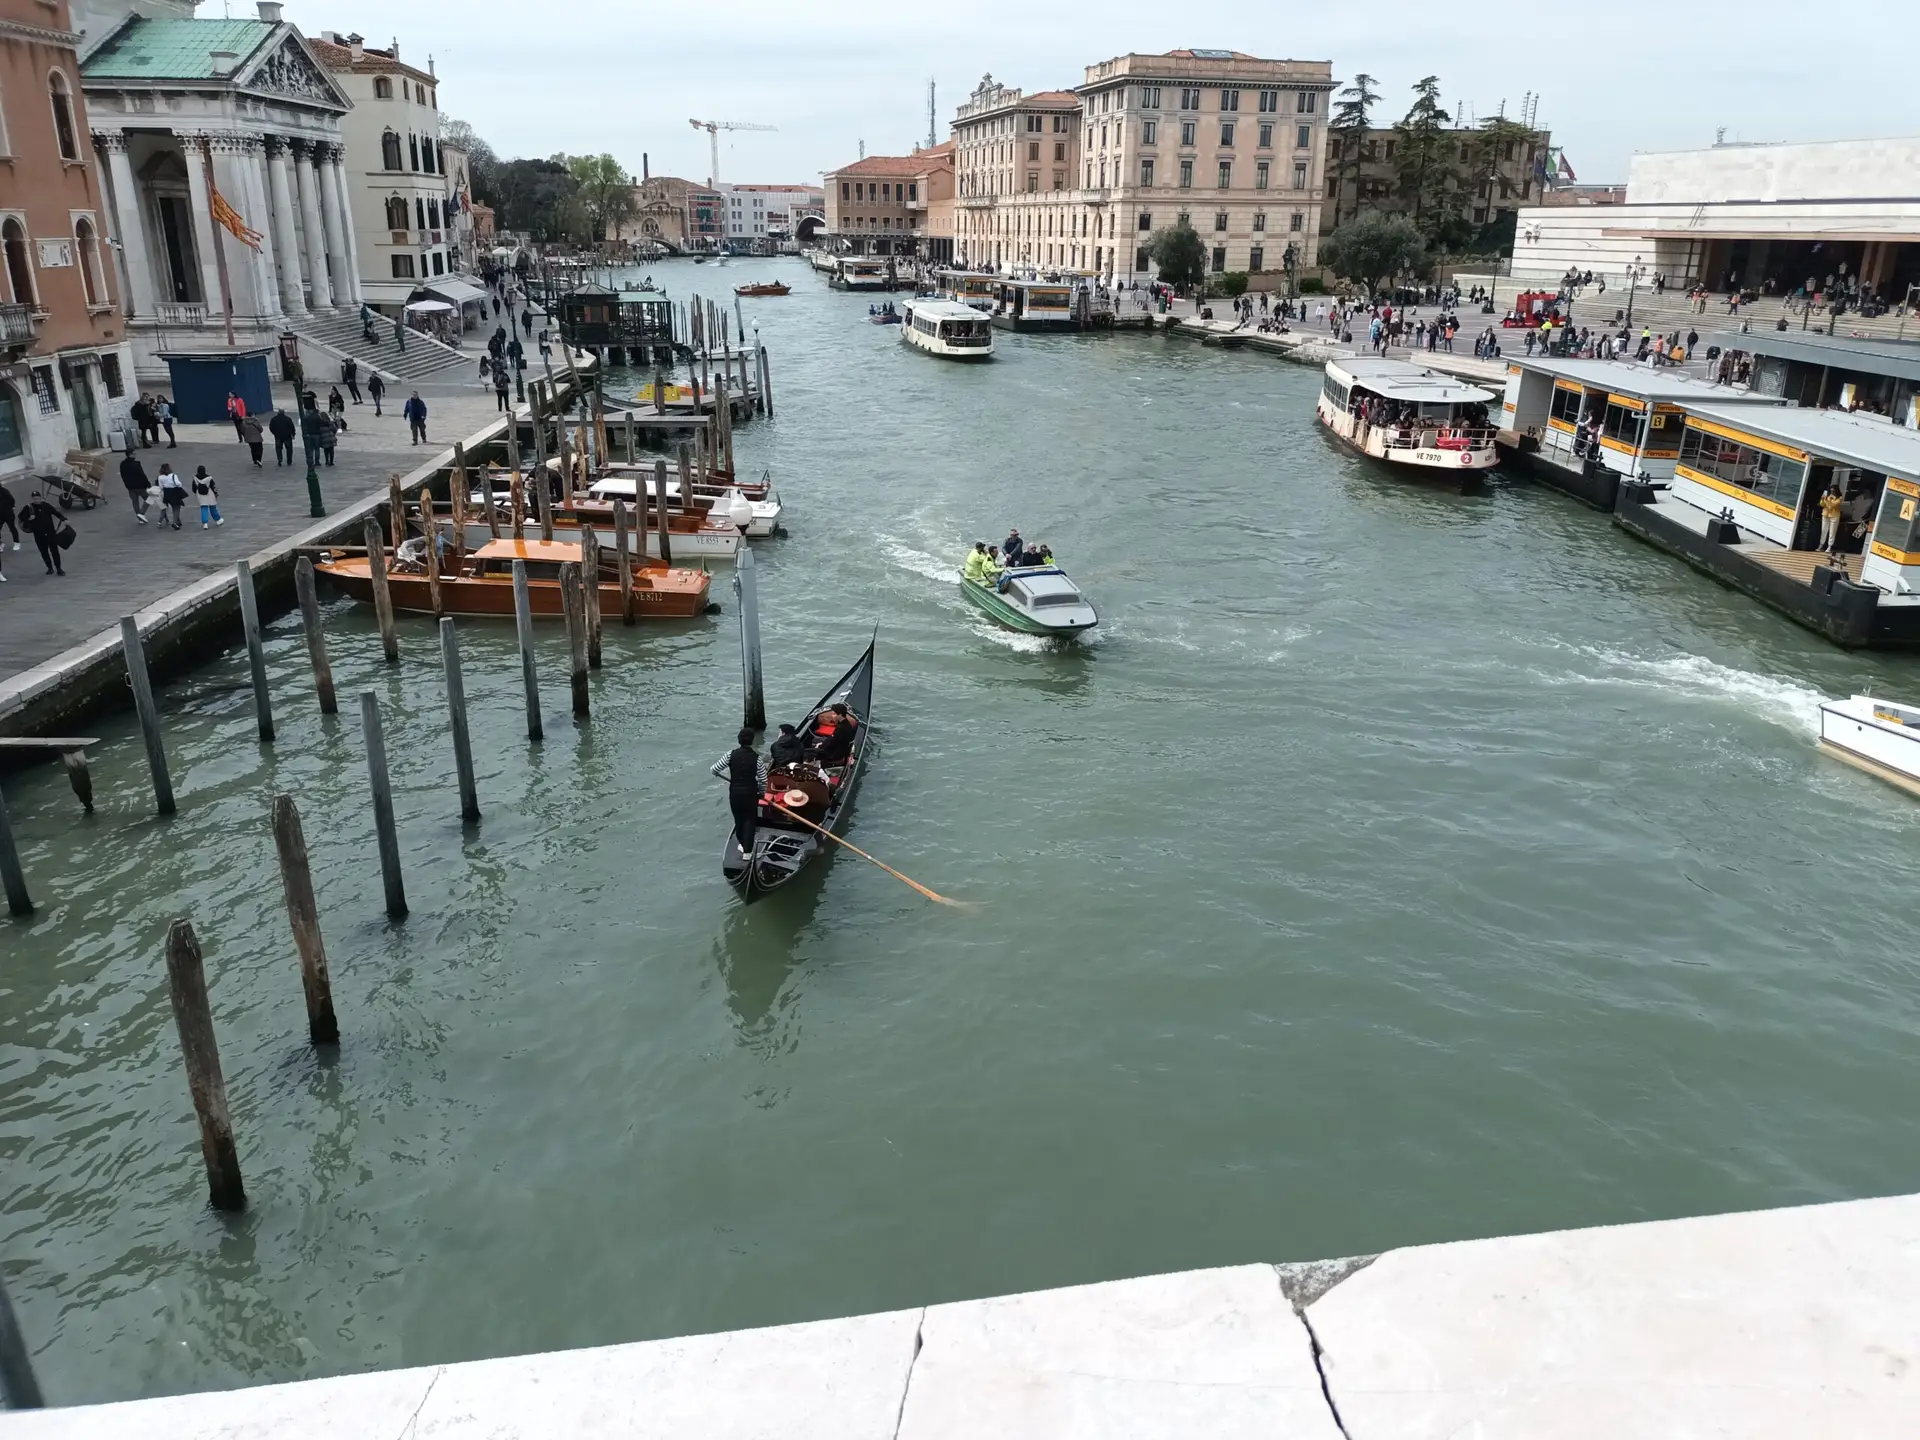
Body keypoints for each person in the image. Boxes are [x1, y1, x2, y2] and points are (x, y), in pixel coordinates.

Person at [711, 727, 764, 860]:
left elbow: (714, 769)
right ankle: (747, 852)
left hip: (735, 793)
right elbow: (763, 779)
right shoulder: (757, 759)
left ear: (739, 740)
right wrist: (762, 793)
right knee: (749, 821)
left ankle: (743, 845)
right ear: (752, 741)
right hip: (750, 794)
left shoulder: (730, 755)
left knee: (739, 820)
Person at [18, 492, 66, 574]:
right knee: (44, 552)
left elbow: (56, 513)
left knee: (55, 551)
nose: (36, 500)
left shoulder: (46, 506)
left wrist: (64, 519)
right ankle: (50, 568)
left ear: (40, 498)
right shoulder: (28, 508)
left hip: (50, 533)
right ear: (32, 499)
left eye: (38, 498)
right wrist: (28, 518)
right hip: (39, 534)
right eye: (34, 499)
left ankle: (59, 568)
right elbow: (21, 517)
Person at [808, 702, 858, 767]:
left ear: (840, 715)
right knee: (817, 742)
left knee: (808, 752)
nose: (832, 716)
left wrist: (820, 746)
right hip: (839, 748)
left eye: (834, 714)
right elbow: (832, 740)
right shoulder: (845, 724)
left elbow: (831, 745)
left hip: (835, 754)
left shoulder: (841, 729)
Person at [120, 450, 152, 523]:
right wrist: (147, 483)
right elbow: (142, 475)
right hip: (140, 486)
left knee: (135, 502)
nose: (135, 455)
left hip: (130, 487)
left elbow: (122, 475)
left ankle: (140, 518)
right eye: (134, 453)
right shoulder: (136, 464)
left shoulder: (123, 464)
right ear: (130, 454)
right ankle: (141, 513)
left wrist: (126, 484)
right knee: (149, 499)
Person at [157, 463, 187, 528]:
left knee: (173, 507)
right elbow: (178, 484)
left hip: (166, 493)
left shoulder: (160, 477)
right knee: (177, 507)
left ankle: (178, 521)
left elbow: (161, 487)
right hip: (174, 492)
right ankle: (175, 522)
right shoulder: (173, 475)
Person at [1819, 483, 1844, 553]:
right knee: (1823, 530)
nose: (1832, 492)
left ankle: (1829, 546)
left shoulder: (1839, 498)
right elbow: (1822, 504)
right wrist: (1822, 499)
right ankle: (1821, 544)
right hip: (1825, 515)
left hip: (1834, 516)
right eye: (1831, 491)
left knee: (1832, 532)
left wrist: (1826, 500)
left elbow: (1833, 505)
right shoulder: (1828, 496)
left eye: (1833, 491)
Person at [0, 479, 18, 549]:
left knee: (12, 528)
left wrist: (9, 508)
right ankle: (0, 544)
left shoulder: (4, 491)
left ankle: (16, 542)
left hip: (8, 513)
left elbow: (12, 500)